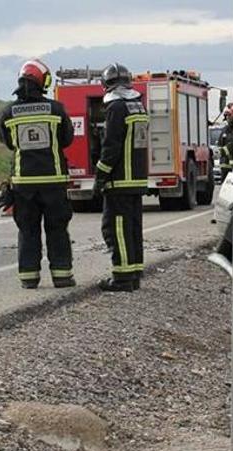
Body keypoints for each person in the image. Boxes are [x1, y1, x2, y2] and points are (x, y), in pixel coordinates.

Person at [0, 59, 76, 289]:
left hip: (23, 185)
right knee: (57, 230)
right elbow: (67, 139)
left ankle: (29, 278)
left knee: (28, 231)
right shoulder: (56, 110)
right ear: (43, 81)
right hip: (54, 183)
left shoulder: (8, 113)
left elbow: (10, 144)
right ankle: (62, 276)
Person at [94, 63, 149, 292]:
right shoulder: (138, 106)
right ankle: (134, 273)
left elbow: (111, 147)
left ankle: (122, 277)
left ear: (106, 84)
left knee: (116, 228)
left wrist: (100, 176)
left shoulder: (116, 108)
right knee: (133, 228)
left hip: (119, 180)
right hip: (136, 178)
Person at [217, 103, 233, 183]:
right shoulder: (225, 130)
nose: (227, 117)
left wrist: (222, 151)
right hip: (225, 165)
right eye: (226, 115)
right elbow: (220, 144)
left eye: (229, 115)